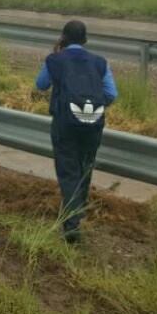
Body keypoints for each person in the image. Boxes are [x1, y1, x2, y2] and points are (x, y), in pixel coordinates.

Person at [34, 20, 118, 244]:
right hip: (93, 124)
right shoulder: (100, 62)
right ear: (85, 40)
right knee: (84, 168)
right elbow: (111, 94)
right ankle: (76, 214)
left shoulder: (55, 60)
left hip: (65, 123)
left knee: (68, 170)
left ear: (63, 37)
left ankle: (72, 224)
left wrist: (55, 54)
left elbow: (41, 85)